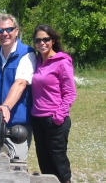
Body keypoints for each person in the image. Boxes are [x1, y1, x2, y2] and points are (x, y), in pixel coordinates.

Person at [31, 24, 76, 183]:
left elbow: (70, 93)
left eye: (46, 39)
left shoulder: (62, 62)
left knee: (58, 161)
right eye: (38, 40)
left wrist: (59, 116)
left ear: (53, 40)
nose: (42, 43)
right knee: (44, 161)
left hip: (55, 119)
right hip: (37, 119)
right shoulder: (36, 61)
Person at [0, 13, 36, 160]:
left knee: (16, 166)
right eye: (0, 30)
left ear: (16, 31)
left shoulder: (27, 54)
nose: (5, 34)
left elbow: (21, 83)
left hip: (18, 124)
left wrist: (6, 107)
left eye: (9, 29)